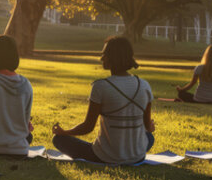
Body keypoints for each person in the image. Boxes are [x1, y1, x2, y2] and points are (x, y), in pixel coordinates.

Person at [52, 36, 156, 165]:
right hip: (137, 156)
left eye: (104, 54)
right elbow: (148, 128)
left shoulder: (101, 86)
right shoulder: (145, 85)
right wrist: (149, 128)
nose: (101, 58)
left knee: (59, 140)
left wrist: (64, 132)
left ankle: (112, 153)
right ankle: (130, 153)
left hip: (105, 157)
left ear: (113, 57)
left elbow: (88, 127)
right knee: (149, 138)